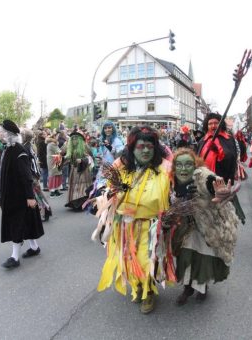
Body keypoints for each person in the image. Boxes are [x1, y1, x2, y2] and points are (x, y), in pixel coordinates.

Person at [94, 126, 172, 314]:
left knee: (147, 259)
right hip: (126, 224)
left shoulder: (165, 169)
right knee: (130, 259)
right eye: (141, 146)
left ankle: (148, 293)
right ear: (132, 148)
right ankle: (137, 286)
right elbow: (103, 186)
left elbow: (183, 185)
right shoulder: (120, 167)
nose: (145, 150)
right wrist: (108, 193)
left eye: (150, 146)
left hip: (151, 226)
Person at [167, 148, 239, 305]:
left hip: (205, 228)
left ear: (195, 165)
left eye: (188, 164)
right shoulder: (171, 180)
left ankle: (202, 286)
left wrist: (220, 190)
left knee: (203, 257)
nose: (183, 168)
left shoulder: (201, 175)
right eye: (179, 165)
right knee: (185, 257)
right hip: (184, 228)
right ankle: (187, 288)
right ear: (174, 166)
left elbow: (212, 181)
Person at [0, 120, 44, 269]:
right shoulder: (7, 149)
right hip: (10, 195)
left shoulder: (19, 151)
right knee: (25, 222)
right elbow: (2, 170)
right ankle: (34, 247)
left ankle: (14, 257)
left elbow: (26, 176)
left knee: (16, 224)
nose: (0, 133)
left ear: (9, 134)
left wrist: (30, 197)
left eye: (2, 131)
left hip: (18, 196)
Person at [196, 112, 245, 223]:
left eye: (216, 123)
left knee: (223, 218)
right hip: (204, 183)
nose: (213, 126)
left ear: (220, 124)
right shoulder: (202, 141)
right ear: (206, 126)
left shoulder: (228, 139)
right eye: (210, 124)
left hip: (221, 183)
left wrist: (219, 152)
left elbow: (231, 158)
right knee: (206, 217)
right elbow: (197, 158)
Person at [21, 128, 51, 222]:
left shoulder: (26, 147)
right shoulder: (30, 146)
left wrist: (33, 174)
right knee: (38, 194)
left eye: (21, 135)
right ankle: (45, 211)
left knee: (36, 194)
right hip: (33, 173)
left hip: (31, 174)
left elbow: (31, 162)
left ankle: (44, 213)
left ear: (24, 137)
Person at [46, 133, 63, 198]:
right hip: (53, 161)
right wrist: (65, 145)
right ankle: (52, 192)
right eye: (57, 136)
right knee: (53, 176)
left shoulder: (51, 143)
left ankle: (56, 191)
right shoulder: (52, 144)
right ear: (54, 137)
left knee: (56, 175)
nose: (58, 137)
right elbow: (59, 151)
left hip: (54, 161)